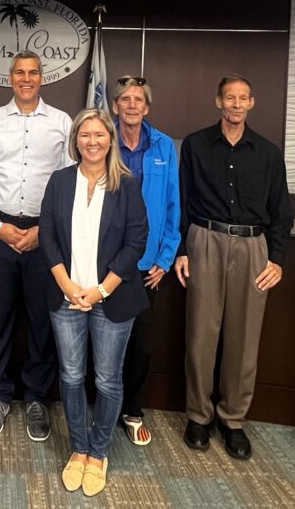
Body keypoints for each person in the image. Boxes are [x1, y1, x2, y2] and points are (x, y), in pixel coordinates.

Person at [172, 74, 292, 460]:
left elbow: (281, 213)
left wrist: (277, 258)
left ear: (252, 103)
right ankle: (198, 416)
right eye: (230, 98)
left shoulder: (269, 154)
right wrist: (180, 249)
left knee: (244, 338)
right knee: (201, 335)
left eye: (243, 98)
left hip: (253, 246)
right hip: (204, 240)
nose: (237, 104)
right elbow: (182, 200)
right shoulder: (194, 145)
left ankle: (233, 419)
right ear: (218, 102)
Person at [39, 108, 148, 496]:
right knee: (70, 376)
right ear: (76, 140)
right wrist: (68, 285)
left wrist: (101, 290)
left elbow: (137, 242)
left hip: (111, 298)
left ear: (110, 140)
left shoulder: (128, 185)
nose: (92, 141)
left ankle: (99, 451)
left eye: (99, 135)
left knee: (106, 378)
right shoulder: (60, 181)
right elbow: (48, 236)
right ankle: (79, 448)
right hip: (66, 295)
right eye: (85, 135)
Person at [0, 50, 72, 441]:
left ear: (41, 78)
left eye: (33, 73)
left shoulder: (62, 122)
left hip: (45, 236)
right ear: (9, 78)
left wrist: (44, 231)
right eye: (19, 73)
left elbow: (68, 182)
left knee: (42, 321)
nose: (26, 79)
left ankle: (36, 398)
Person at [111, 75, 180, 446]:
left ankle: (133, 411)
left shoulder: (164, 146)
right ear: (116, 106)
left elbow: (173, 205)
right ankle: (102, 407)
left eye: (138, 99)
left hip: (146, 267)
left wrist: (165, 259)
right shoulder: (102, 141)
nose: (132, 105)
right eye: (125, 99)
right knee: (104, 342)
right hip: (106, 264)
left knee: (142, 343)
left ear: (147, 108)